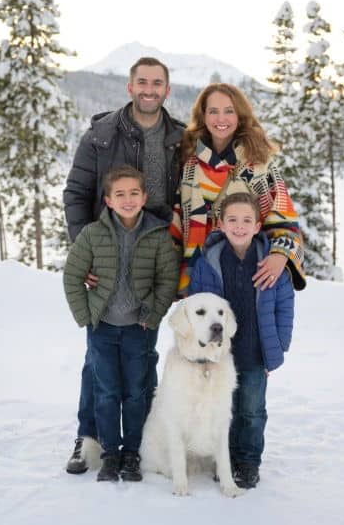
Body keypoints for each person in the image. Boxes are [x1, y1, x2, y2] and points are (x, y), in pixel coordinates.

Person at [63, 57, 184, 474]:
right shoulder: (101, 135)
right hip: (109, 255)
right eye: (142, 82)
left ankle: (138, 442)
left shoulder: (180, 139)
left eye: (158, 83)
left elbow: (189, 199)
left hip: (155, 254)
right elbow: (77, 193)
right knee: (97, 363)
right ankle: (90, 438)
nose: (150, 89)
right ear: (130, 87)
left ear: (167, 90)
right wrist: (88, 251)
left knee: (141, 361)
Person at [63, 165, 179, 482]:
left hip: (139, 329)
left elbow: (167, 281)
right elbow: (72, 276)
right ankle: (110, 453)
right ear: (108, 201)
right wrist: (86, 315)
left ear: (143, 197)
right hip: (102, 327)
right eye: (119, 194)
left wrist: (152, 316)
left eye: (133, 193)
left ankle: (132, 452)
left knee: (136, 392)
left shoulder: (157, 235)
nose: (127, 200)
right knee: (106, 391)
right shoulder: (92, 235)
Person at [189, 192, 295, 488]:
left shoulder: (271, 263)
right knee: (223, 410)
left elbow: (284, 307)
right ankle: (225, 459)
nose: (239, 226)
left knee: (251, 411)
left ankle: (247, 461)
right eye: (232, 220)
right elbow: (196, 305)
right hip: (219, 355)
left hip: (254, 354)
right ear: (220, 224)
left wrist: (278, 347)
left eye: (246, 220)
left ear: (258, 226)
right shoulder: (207, 263)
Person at [170, 82, 306, 295]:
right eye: (213, 111)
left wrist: (280, 255)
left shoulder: (258, 164)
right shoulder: (190, 162)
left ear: (240, 116)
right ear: (203, 116)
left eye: (229, 111)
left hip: (245, 274)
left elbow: (284, 218)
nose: (220, 119)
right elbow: (178, 218)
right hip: (198, 277)